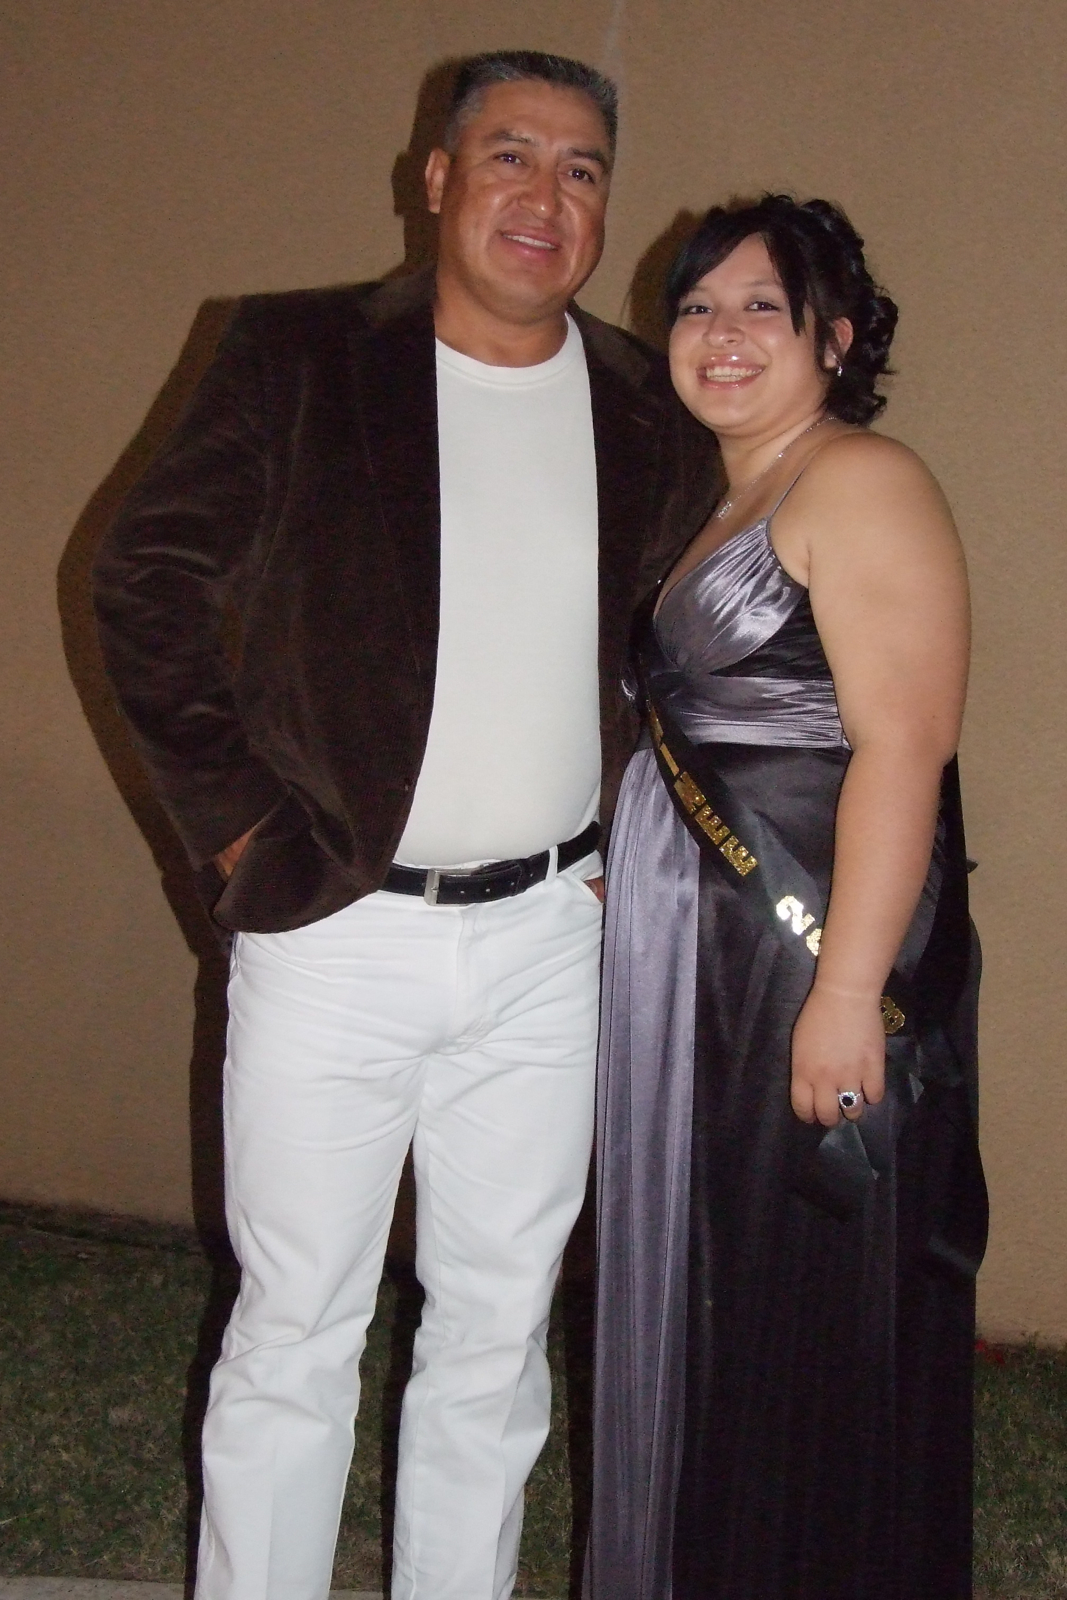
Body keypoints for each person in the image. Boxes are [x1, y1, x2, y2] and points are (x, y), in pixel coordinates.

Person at [93, 50, 719, 1600]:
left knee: (496, 1340)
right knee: (296, 1330)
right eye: (510, 155)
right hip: (336, 933)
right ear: (435, 180)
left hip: (552, 948)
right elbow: (143, 584)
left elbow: (682, 655)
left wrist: (630, 851)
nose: (545, 195)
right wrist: (241, 837)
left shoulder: (648, 405)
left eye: (582, 169)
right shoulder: (296, 356)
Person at [588, 195, 989, 1600]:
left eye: (763, 305)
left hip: (803, 965)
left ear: (836, 337)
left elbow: (904, 747)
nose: (722, 332)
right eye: (697, 305)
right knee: (720, 1296)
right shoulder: (730, 500)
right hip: (705, 978)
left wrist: (844, 990)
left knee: (800, 1306)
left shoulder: (859, 478)